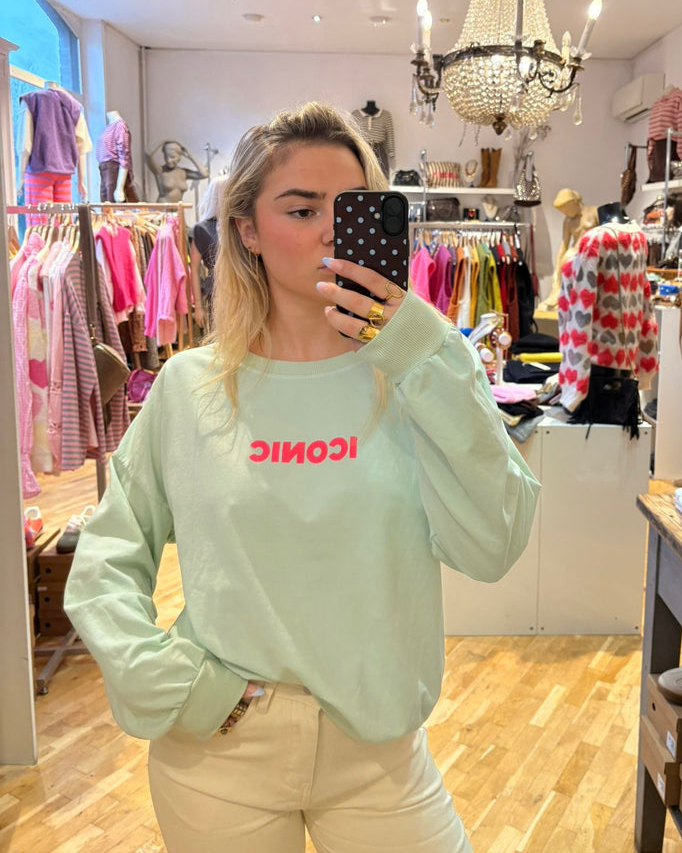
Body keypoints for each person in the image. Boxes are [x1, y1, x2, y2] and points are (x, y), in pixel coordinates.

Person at [64, 101, 540, 853]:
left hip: (378, 752)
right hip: (220, 751)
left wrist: (427, 350)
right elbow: (105, 560)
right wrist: (170, 683)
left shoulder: (419, 376)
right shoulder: (189, 390)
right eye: (302, 208)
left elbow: (494, 545)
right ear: (246, 230)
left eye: (351, 209)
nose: (330, 231)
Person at [190, 176, 228, 331]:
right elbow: (194, 269)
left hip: (244, 290)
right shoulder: (202, 229)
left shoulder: (238, 225)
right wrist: (198, 306)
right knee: (219, 336)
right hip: (216, 292)